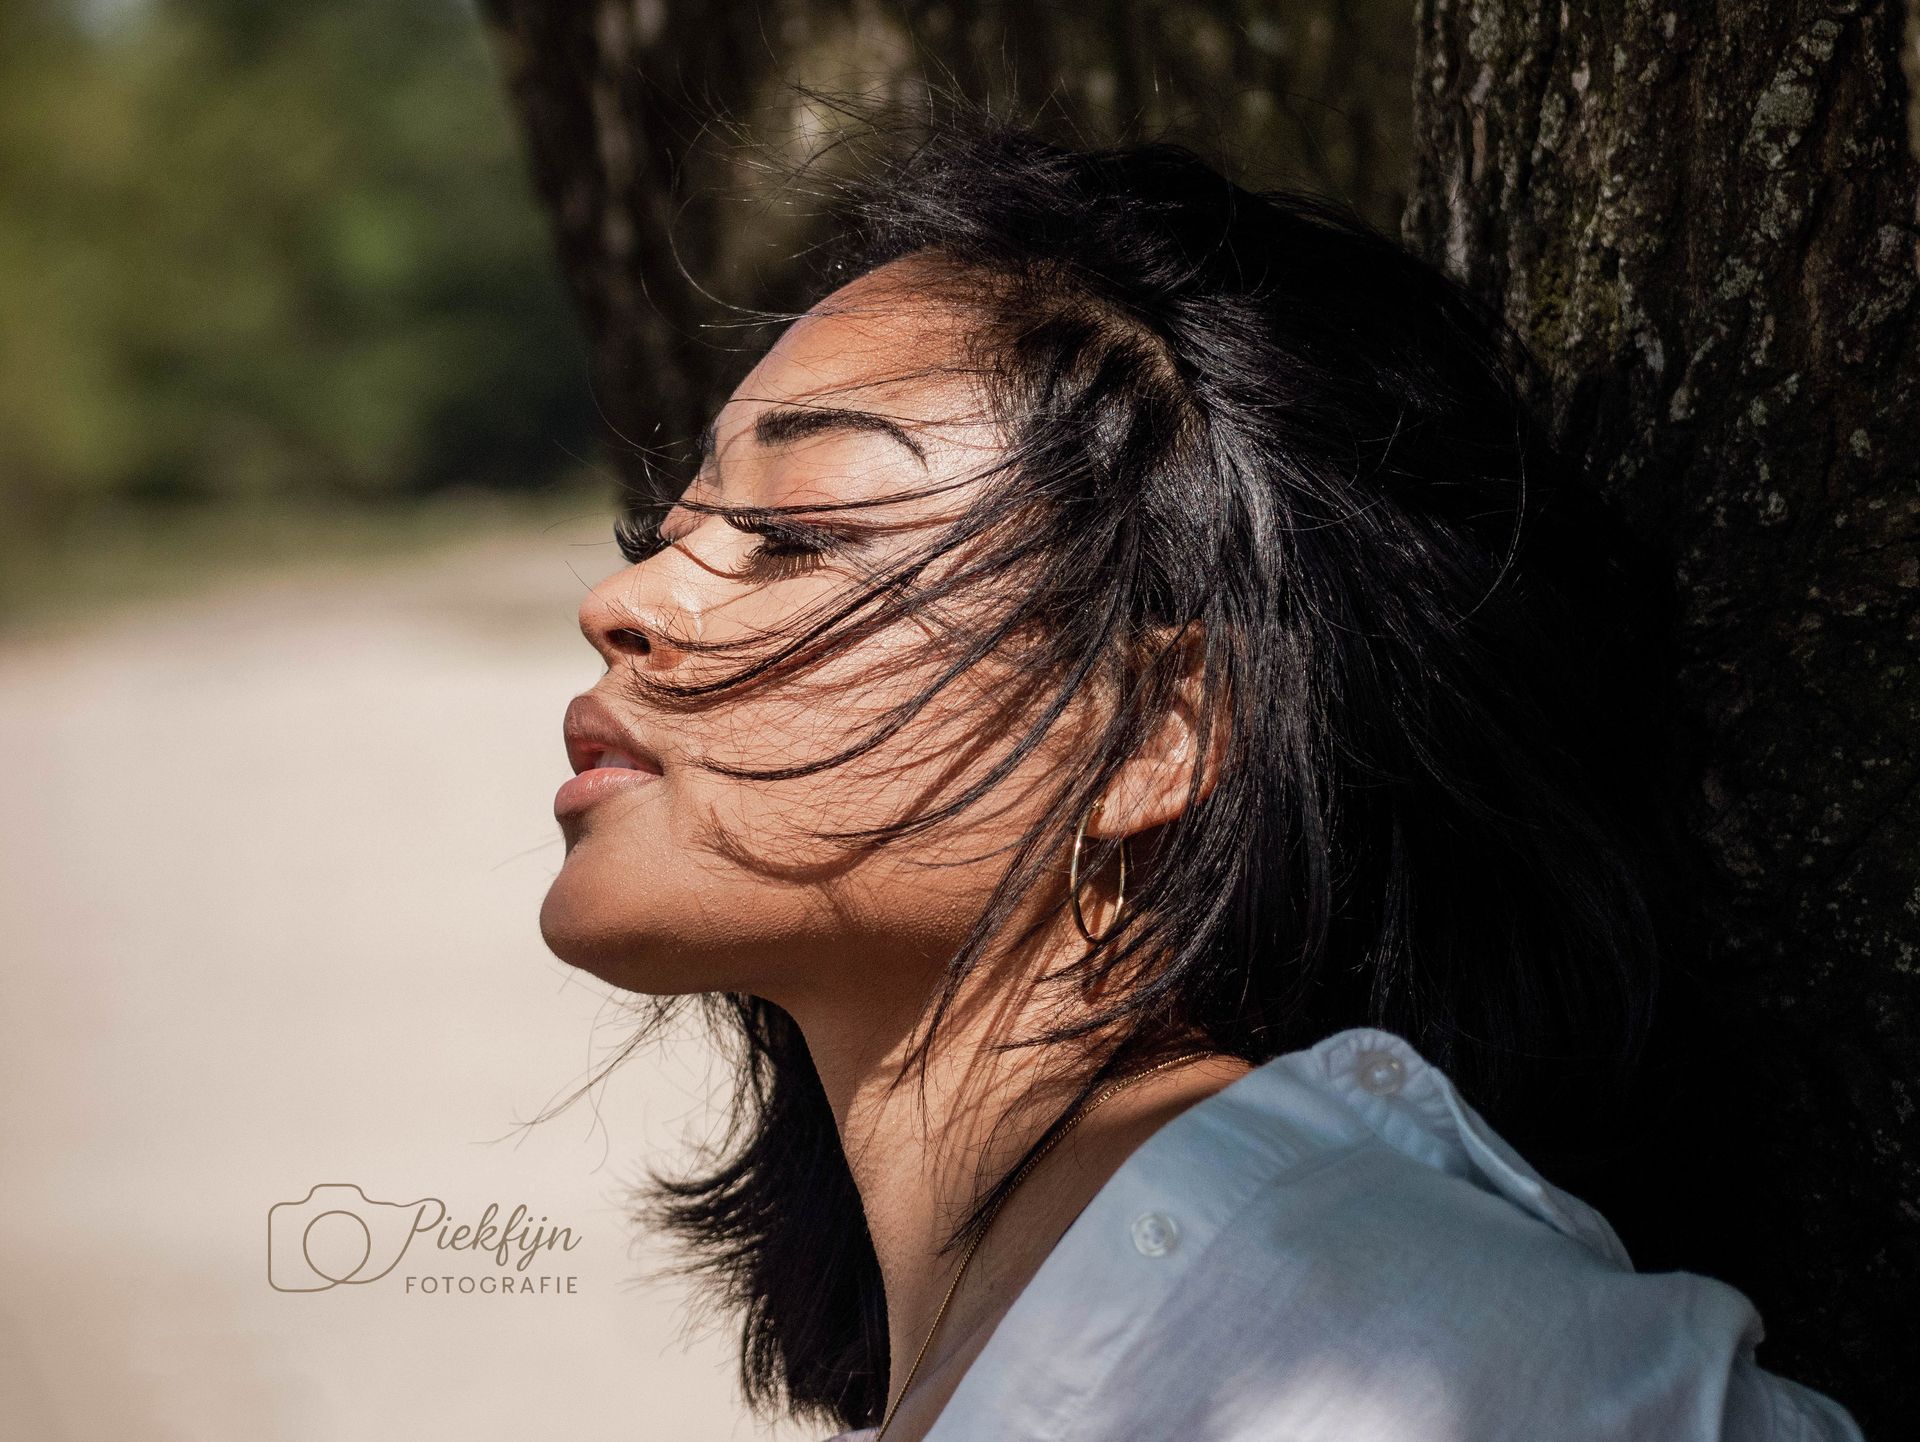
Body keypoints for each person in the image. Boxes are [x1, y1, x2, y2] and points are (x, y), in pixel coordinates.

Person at [538, 103, 1870, 1442]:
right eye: (668, 525)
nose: (622, 598)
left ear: (1153, 729)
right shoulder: (1112, 1334)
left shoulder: (1399, 1356)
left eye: (790, 532)